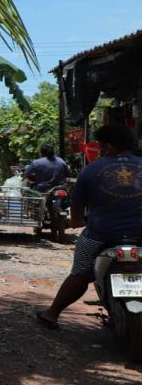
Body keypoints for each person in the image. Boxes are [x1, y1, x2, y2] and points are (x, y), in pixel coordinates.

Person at [36, 125, 142, 329]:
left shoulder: (92, 170)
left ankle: (52, 314)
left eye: (101, 146)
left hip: (100, 235)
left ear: (109, 146)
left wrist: (76, 222)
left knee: (80, 273)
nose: (100, 150)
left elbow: (77, 206)